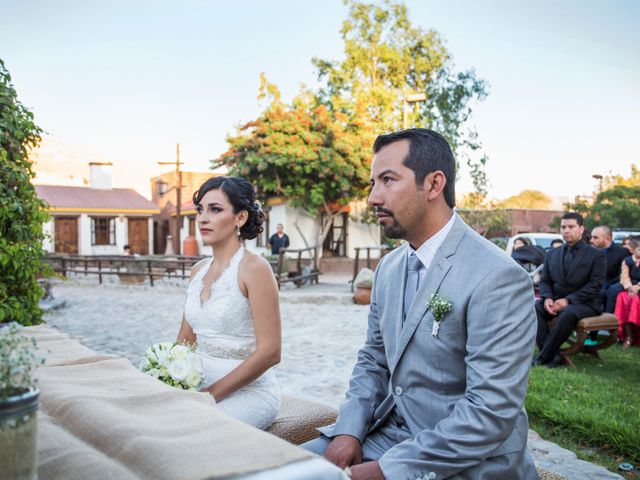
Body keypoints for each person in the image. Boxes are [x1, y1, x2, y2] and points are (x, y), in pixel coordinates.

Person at [303, 129, 538, 479]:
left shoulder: (497, 277)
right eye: (372, 183)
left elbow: (490, 413)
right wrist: (350, 428)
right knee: (280, 469)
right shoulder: (389, 268)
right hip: (385, 436)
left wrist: (386, 471)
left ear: (433, 185)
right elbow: (374, 359)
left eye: (387, 180)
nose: (372, 198)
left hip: (468, 461)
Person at [175, 176, 281, 430]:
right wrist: (171, 378)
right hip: (198, 386)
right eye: (200, 209)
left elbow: (271, 352)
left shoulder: (255, 268)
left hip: (248, 393)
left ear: (240, 217)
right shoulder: (197, 271)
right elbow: (185, 341)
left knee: (192, 431)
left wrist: (210, 395)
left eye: (215, 209)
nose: (202, 218)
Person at [533, 212, 606, 368]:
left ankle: (544, 357)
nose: (566, 230)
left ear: (581, 229)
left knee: (568, 312)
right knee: (535, 307)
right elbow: (545, 281)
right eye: (563, 227)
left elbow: (595, 285)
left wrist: (568, 300)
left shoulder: (597, 255)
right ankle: (554, 355)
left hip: (586, 303)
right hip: (555, 301)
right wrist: (546, 298)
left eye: (571, 227)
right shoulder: (552, 254)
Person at [589, 225, 629, 313]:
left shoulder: (622, 252)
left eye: (595, 237)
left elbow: (622, 276)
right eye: (591, 237)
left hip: (607, 288)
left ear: (607, 239)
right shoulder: (590, 251)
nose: (591, 240)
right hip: (590, 287)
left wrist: (602, 285)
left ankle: (606, 322)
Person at [613, 237, 640, 348]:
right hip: (630, 288)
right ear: (632, 250)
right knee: (622, 297)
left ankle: (636, 334)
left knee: (634, 300)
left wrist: (638, 287)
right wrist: (629, 287)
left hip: (638, 287)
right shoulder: (627, 261)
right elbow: (624, 276)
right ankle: (628, 336)